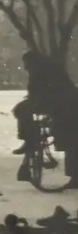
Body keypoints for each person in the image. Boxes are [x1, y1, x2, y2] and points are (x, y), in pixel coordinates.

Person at [12, 50, 78, 186]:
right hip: (63, 104)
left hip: (61, 105)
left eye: (26, 64)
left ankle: (28, 137)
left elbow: (43, 91)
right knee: (71, 143)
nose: (25, 67)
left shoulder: (40, 71)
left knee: (21, 110)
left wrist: (35, 99)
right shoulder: (48, 68)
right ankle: (29, 137)